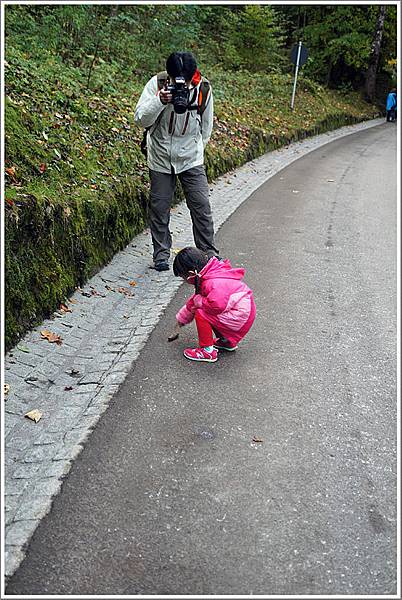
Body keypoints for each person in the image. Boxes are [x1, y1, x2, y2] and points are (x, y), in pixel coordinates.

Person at [134, 52, 219, 271]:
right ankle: (161, 255)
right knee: (160, 206)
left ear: (193, 77)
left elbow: (206, 127)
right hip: (160, 157)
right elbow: (140, 119)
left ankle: (209, 255)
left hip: (191, 158)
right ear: (169, 77)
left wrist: (196, 150)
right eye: (175, 81)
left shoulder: (203, 89)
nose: (181, 86)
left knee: (201, 206)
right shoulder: (157, 83)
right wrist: (159, 100)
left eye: (186, 82)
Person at [170, 247, 256, 363]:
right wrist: (181, 320)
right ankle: (226, 341)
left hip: (240, 316)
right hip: (243, 313)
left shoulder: (212, 282)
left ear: (191, 273)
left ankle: (207, 351)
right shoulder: (210, 272)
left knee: (202, 313)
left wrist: (199, 301)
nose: (184, 280)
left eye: (183, 277)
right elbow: (193, 301)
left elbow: (217, 306)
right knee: (205, 308)